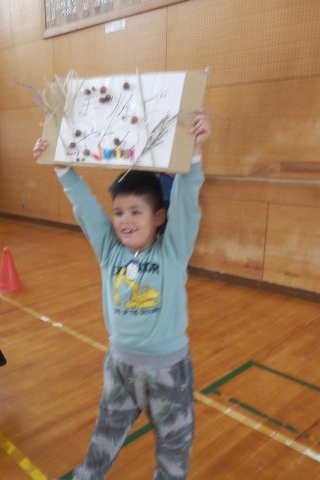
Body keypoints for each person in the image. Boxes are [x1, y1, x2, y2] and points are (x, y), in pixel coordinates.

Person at [33, 110, 211, 479]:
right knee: (105, 436)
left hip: (168, 372)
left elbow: (186, 207)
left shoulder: (172, 251)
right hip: (120, 367)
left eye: (135, 212)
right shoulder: (110, 251)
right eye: (118, 212)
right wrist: (62, 168)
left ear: (159, 217)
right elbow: (87, 210)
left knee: (174, 448)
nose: (125, 220)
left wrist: (193, 155)